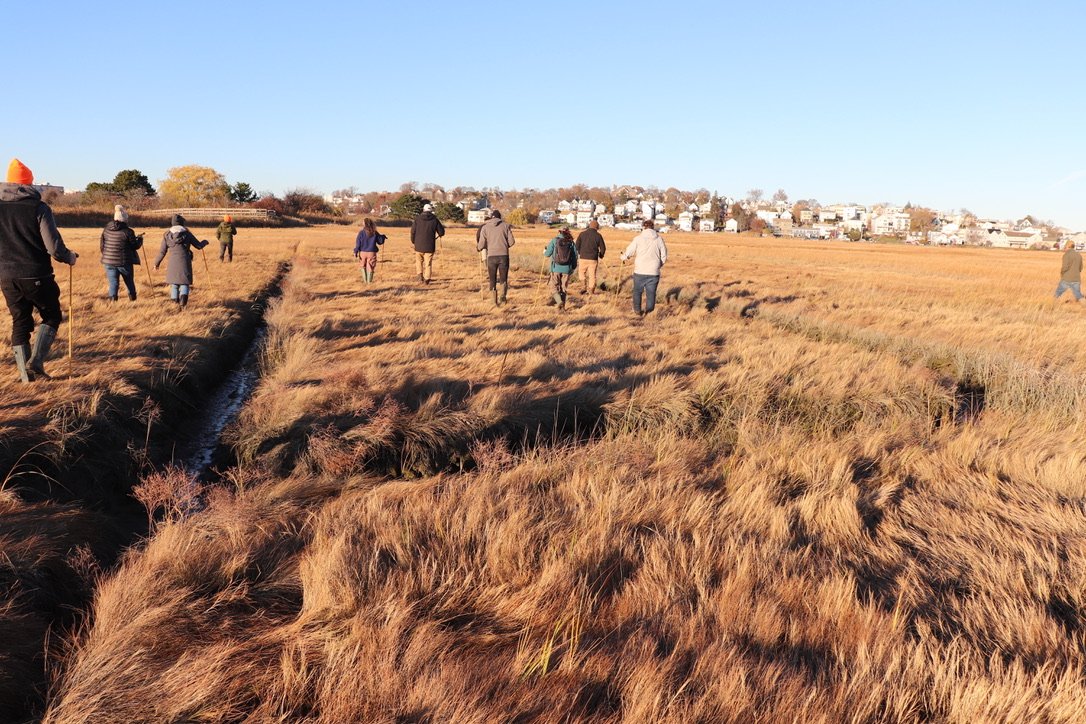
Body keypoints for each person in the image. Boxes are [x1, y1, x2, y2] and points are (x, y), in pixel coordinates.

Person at [0, 158, 78, 382]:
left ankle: (27, 379)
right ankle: (36, 362)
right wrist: (69, 257)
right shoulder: (39, 208)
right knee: (52, 315)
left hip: (6, 276)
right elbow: (53, 247)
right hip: (36, 273)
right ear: (29, 184)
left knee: (20, 322)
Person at [154, 214, 208, 309]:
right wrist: (205, 242)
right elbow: (198, 246)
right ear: (182, 223)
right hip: (184, 262)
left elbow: (162, 252)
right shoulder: (187, 233)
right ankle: (183, 305)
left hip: (172, 263)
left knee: (174, 285)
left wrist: (156, 264)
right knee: (184, 284)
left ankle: (175, 305)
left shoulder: (166, 235)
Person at [620, 220, 668, 317]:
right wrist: (658, 265)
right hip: (654, 271)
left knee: (637, 291)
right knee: (651, 293)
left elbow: (630, 251)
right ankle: (649, 313)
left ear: (643, 227)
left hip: (640, 270)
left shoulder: (638, 239)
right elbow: (664, 255)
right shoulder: (659, 239)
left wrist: (623, 257)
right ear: (653, 227)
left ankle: (637, 311)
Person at [100, 204, 142, 302]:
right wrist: (140, 240)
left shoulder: (106, 230)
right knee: (129, 282)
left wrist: (107, 256)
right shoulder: (128, 232)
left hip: (108, 262)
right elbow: (134, 246)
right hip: (124, 262)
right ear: (125, 219)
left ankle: (112, 302)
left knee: (113, 283)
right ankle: (133, 300)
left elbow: (102, 246)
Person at [476, 209, 516, 306]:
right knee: (503, 278)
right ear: (500, 217)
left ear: (491, 217)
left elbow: (481, 244)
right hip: (504, 256)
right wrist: (504, 246)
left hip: (491, 256)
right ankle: (502, 298)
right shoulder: (506, 226)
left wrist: (478, 248)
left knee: (492, 279)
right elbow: (512, 242)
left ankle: (493, 301)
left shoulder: (485, 227)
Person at [543, 226, 578, 310]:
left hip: (555, 268)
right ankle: (562, 308)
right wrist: (573, 267)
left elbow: (547, 254)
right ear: (568, 232)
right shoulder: (571, 242)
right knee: (563, 288)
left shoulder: (554, 240)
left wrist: (544, 251)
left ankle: (559, 302)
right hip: (567, 269)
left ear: (559, 232)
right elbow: (575, 256)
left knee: (554, 287)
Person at [410, 203, 445, 284]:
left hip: (418, 245)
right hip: (430, 245)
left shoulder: (417, 219)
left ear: (423, 210)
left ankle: (419, 275)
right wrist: (439, 234)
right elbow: (441, 232)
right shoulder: (435, 219)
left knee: (419, 261)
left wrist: (413, 241)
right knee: (428, 263)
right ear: (431, 210)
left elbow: (412, 231)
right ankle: (427, 279)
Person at [575, 219, 607, 294]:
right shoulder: (598, 236)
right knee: (592, 275)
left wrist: (580, 252)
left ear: (589, 226)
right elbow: (603, 248)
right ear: (597, 227)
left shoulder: (582, 234)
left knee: (581, 273)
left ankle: (583, 287)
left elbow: (577, 246)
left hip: (583, 257)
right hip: (593, 259)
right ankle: (591, 290)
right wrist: (601, 255)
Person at [353, 218, 386, 284]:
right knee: (370, 267)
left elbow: (358, 243)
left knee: (363, 266)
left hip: (362, 252)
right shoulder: (374, 232)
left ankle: (365, 282)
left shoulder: (361, 233)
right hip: (372, 253)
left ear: (364, 224)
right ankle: (369, 282)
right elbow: (380, 242)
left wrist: (356, 251)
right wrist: (383, 237)